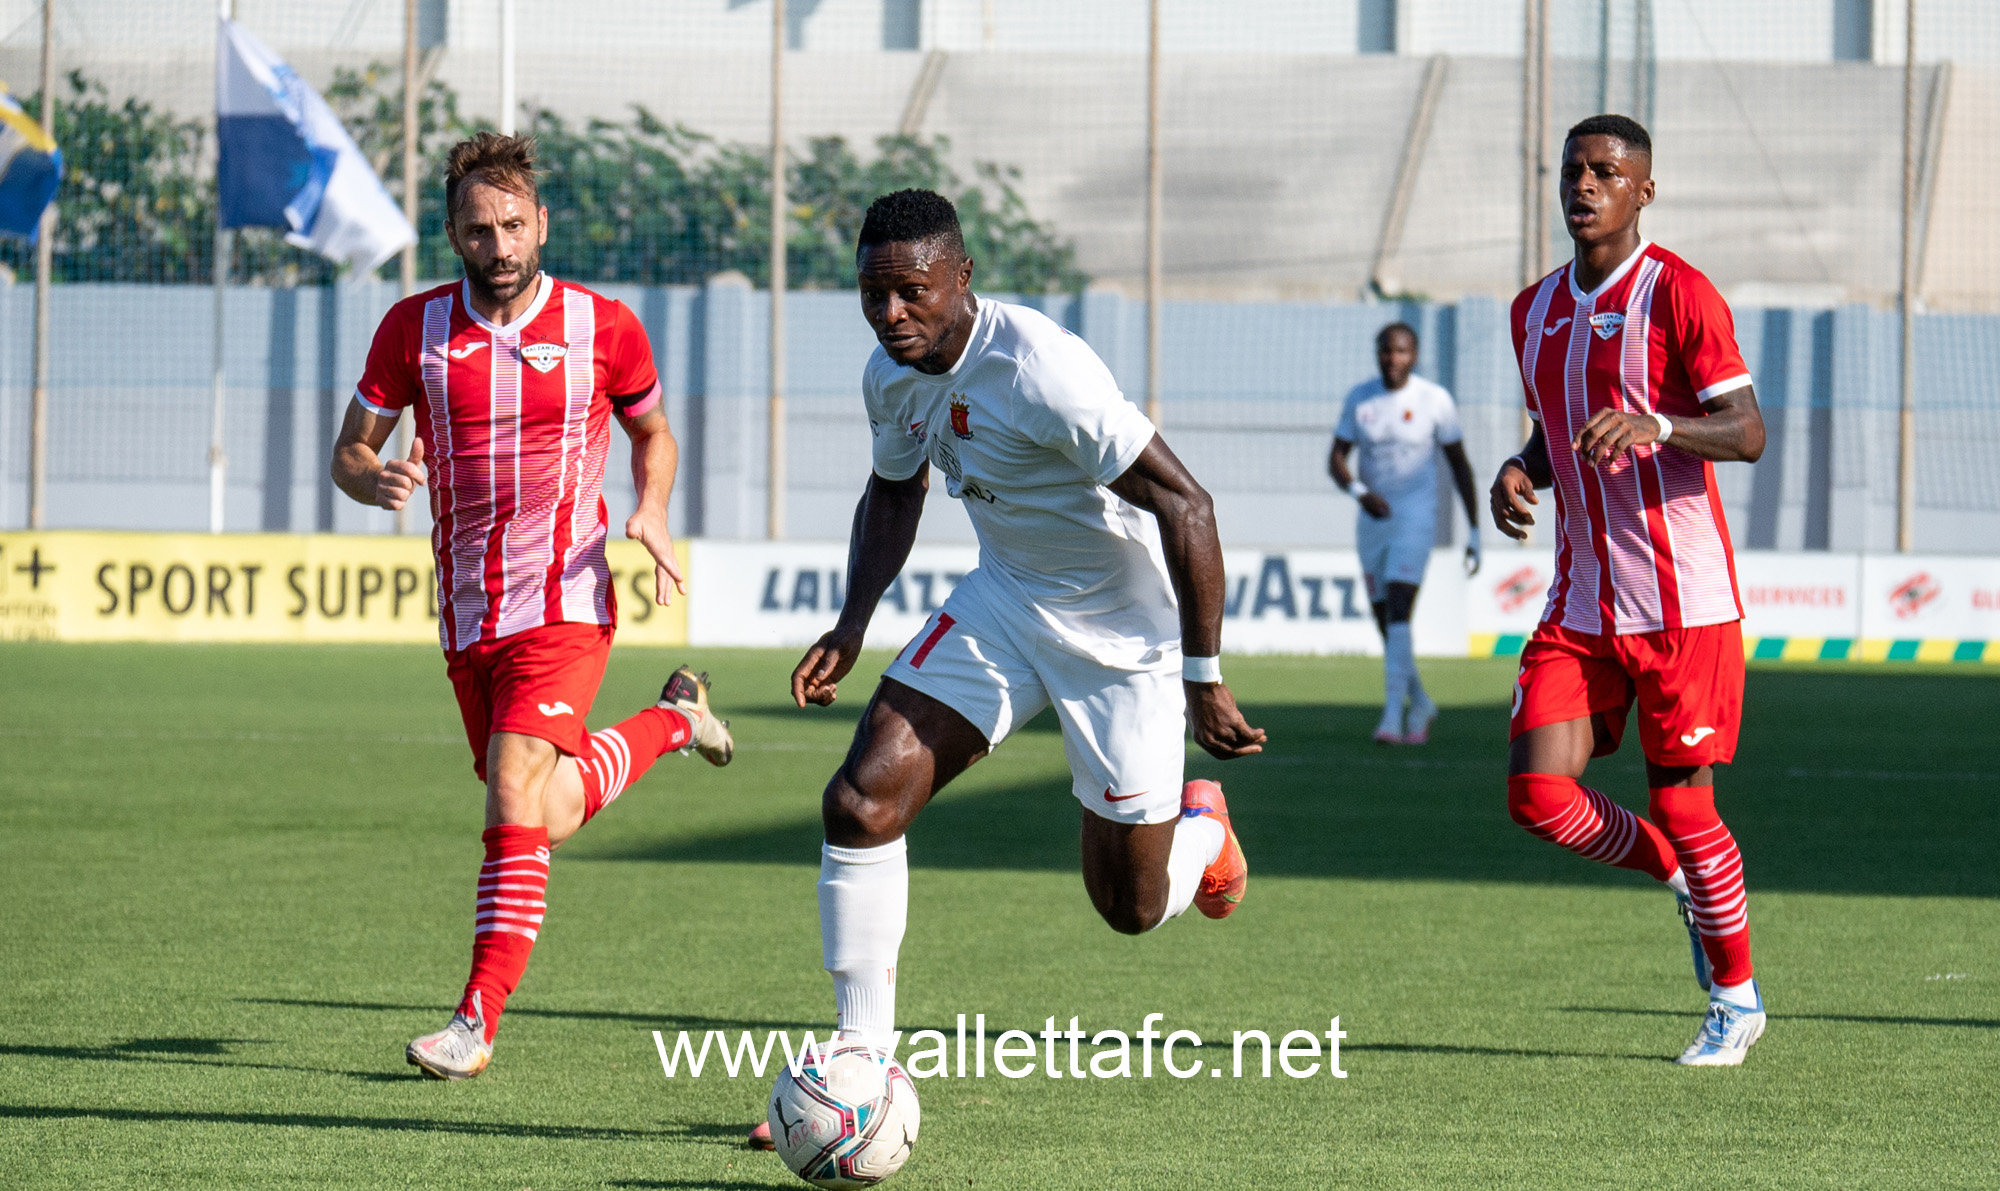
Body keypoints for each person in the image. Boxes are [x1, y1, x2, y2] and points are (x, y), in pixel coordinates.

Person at [791, 186, 1265, 1051]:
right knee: (860, 801)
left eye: (912, 292)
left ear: (962, 276)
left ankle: (1204, 834)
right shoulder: (888, 374)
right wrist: (852, 622)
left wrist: (1203, 677)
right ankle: (859, 1061)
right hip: (1006, 601)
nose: (890, 314)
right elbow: (896, 492)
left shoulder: (1041, 369)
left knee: (1131, 906)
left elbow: (1187, 505)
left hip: (1125, 636)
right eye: (872, 295)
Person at [331, 133, 734, 1081]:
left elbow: (654, 431)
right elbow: (350, 449)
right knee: (543, 812)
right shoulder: (412, 329)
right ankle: (674, 723)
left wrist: (653, 506)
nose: (501, 244)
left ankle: (476, 1020)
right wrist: (371, 477)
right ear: (453, 235)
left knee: (511, 786)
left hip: (566, 599)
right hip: (469, 616)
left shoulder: (604, 326)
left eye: (515, 224)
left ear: (541, 222)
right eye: (480, 229)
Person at [1489, 115, 1768, 1066]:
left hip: (1682, 604)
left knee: (1691, 806)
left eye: (1607, 172)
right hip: (1580, 604)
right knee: (1536, 792)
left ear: (1643, 190)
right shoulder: (1532, 309)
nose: (1586, 185)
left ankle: (1736, 1000)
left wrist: (1659, 427)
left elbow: (1746, 432)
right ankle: (1681, 880)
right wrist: (1522, 469)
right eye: (1575, 170)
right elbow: (1557, 427)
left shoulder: (1680, 295)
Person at [1328, 323, 1481, 745]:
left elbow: (1460, 466)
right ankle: (1422, 702)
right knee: (1387, 621)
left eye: (1401, 351)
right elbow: (1336, 460)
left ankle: (1393, 717)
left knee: (1399, 608)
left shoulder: (1434, 401)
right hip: (1373, 523)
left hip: (1416, 519)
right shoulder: (1361, 399)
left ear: (1414, 356)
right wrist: (1360, 492)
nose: (1392, 359)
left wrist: (1475, 530)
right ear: (1377, 354)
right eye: (1385, 351)